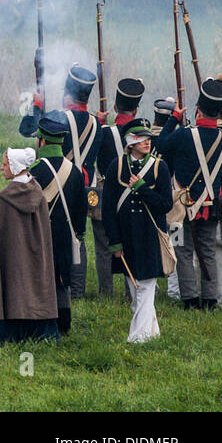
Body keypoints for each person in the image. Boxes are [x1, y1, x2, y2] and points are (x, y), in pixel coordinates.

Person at [19, 64, 101, 299]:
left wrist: (36, 105)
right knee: (79, 235)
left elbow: (26, 129)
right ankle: (77, 288)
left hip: (60, 183)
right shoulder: (97, 124)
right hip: (86, 186)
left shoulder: (58, 118)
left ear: (68, 92)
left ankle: (56, 282)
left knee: (57, 233)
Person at [153, 78, 222, 310]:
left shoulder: (184, 134)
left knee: (182, 251)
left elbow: (162, 145)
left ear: (198, 109)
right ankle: (209, 300)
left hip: (180, 207)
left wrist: (173, 119)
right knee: (207, 252)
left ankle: (189, 299)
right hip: (209, 206)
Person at [0, 148, 61, 343]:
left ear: (15, 168)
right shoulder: (36, 190)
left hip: (10, 258)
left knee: (8, 284)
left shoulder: (6, 198)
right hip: (32, 256)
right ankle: (38, 333)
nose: (1, 168)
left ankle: (2, 334)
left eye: (5, 165)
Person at [103, 121, 174, 343]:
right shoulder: (116, 166)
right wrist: (114, 241)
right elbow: (108, 208)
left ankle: (138, 338)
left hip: (150, 235)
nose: (147, 142)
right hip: (126, 236)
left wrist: (142, 188)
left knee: (145, 287)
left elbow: (165, 205)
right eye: (141, 139)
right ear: (130, 143)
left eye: (148, 138)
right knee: (136, 289)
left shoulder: (158, 167)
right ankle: (152, 332)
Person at [26, 112, 87, 335]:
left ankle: (40, 323)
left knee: (39, 277)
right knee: (62, 279)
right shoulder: (76, 172)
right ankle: (64, 325)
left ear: (42, 141)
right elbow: (81, 209)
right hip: (65, 234)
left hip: (39, 233)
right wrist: (79, 234)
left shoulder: (34, 171)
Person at [93, 78, 145, 298]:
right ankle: (130, 289)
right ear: (136, 109)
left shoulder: (104, 132)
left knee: (104, 245)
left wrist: (98, 123)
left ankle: (106, 291)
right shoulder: (143, 135)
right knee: (131, 242)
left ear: (115, 107)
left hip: (106, 193)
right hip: (134, 193)